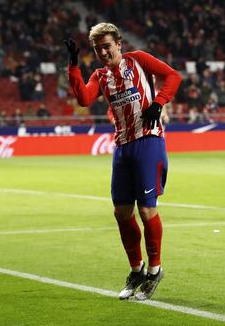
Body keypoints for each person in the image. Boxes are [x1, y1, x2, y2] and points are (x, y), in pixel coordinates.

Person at [64, 23, 181, 301]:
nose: (103, 52)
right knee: (121, 213)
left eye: (107, 46)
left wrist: (159, 103)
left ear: (118, 43)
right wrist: (72, 64)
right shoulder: (100, 76)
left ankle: (155, 270)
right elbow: (83, 98)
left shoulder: (138, 60)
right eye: (97, 49)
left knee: (147, 212)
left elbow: (173, 76)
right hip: (122, 147)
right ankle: (136, 269)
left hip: (148, 142)